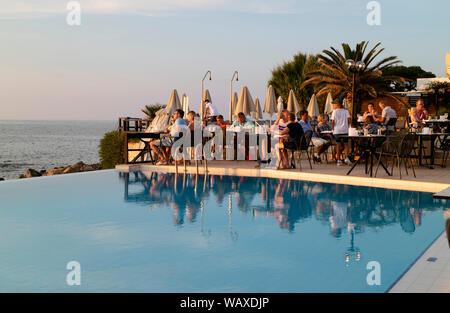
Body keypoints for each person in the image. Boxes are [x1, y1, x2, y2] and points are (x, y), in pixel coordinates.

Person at [331, 100, 352, 166]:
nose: (333, 105)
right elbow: (349, 120)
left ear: (337, 104)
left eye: (334, 104)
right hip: (345, 130)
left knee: (338, 145)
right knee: (346, 144)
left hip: (337, 130)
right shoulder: (346, 111)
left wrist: (333, 128)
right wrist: (348, 126)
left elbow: (333, 121)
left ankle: (339, 160)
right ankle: (346, 158)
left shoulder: (335, 111)